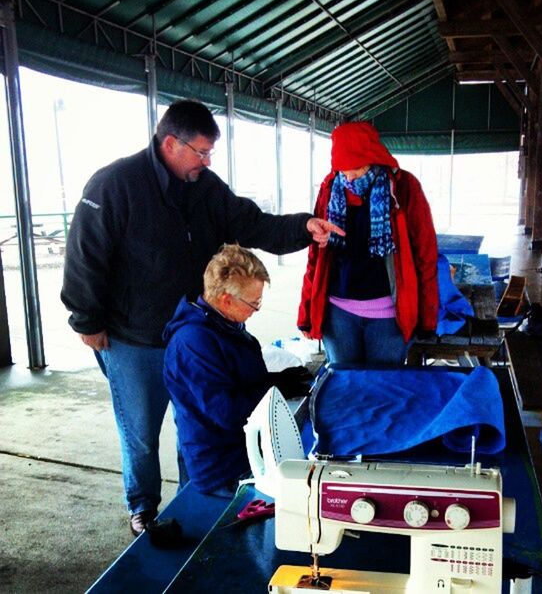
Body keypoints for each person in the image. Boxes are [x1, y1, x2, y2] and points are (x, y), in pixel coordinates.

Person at [60, 99, 340, 535]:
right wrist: (86, 319)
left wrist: (303, 227)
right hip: (134, 337)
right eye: (201, 152)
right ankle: (143, 508)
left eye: (211, 153)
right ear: (171, 143)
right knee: (140, 430)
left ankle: (191, 501)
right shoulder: (115, 184)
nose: (207, 162)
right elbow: (84, 255)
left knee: (195, 424)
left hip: (195, 331)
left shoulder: (205, 187)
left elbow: (254, 224)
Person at [163, 244, 311, 496]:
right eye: (254, 302)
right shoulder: (193, 343)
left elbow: (236, 382)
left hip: (244, 451)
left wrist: (277, 382)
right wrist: (274, 390)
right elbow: (226, 412)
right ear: (226, 299)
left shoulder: (223, 322)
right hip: (224, 468)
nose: (257, 309)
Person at [298, 121, 439, 365]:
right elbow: (315, 255)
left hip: (388, 316)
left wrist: (427, 317)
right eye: (343, 169)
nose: (350, 176)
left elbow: (425, 255)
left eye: (357, 168)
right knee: (345, 387)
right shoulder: (330, 188)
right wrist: (307, 311)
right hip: (338, 314)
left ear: (373, 157)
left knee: (382, 389)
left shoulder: (404, 188)